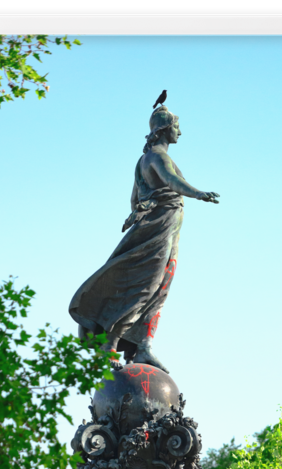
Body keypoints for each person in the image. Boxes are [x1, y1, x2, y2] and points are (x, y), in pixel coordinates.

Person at [68, 104, 219, 373]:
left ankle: (144, 347)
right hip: (159, 228)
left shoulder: (145, 160)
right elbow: (171, 181)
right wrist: (198, 193)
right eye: (176, 126)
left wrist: (141, 212)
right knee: (144, 287)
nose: (180, 132)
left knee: (160, 288)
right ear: (164, 129)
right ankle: (109, 345)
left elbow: (134, 199)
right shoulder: (157, 158)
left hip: (167, 228)